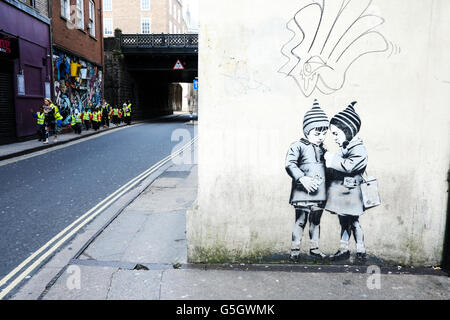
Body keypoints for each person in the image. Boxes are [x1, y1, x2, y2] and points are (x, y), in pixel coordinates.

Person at [324, 101, 368, 263]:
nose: (334, 138)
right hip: (344, 194)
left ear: (347, 130)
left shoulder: (359, 149)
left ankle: (361, 249)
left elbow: (349, 166)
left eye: (336, 133)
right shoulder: (347, 147)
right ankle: (344, 249)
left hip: (351, 193)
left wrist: (331, 159)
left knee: (354, 222)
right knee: (344, 222)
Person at [285, 99, 329, 260]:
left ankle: (314, 248)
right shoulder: (298, 146)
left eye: (324, 133)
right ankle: (295, 250)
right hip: (302, 192)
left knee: (316, 221)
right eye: (317, 133)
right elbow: (290, 164)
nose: (321, 137)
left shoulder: (323, 149)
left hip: (319, 192)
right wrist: (302, 178)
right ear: (307, 131)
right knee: (301, 220)